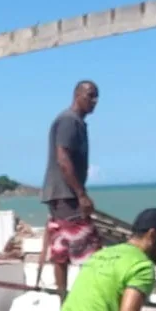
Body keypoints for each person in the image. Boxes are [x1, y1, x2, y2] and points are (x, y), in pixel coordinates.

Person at [38, 80, 101, 299]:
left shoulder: (76, 122)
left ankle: (65, 301)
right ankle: (82, 300)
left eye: (96, 97)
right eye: (90, 95)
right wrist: (81, 194)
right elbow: (63, 158)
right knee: (88, 249)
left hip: (62, 194)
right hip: (66, 194)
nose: (94, 101)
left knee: (63, 248)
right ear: (77, 95)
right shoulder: (68, 121)